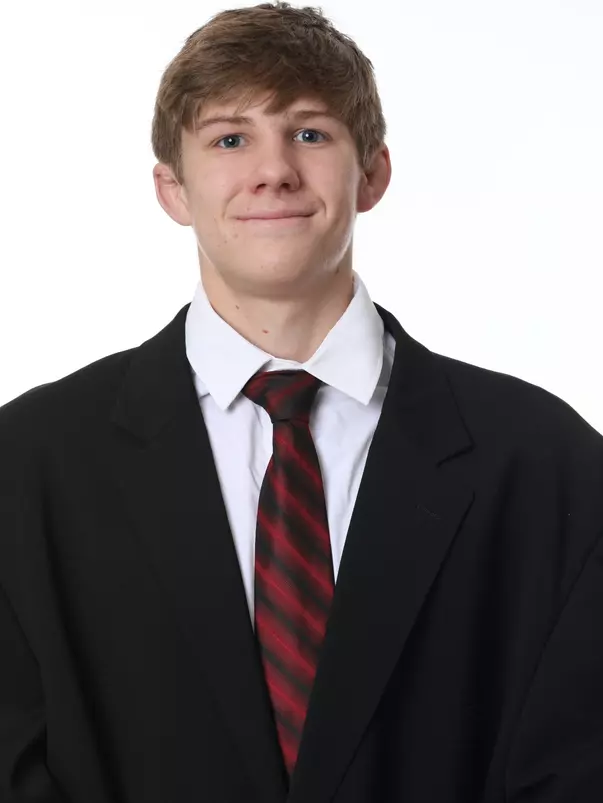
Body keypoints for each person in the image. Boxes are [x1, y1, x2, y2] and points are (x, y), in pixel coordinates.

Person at [1, 2, 602, 801]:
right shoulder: (29, 461)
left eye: (310, 133)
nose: (273, 169)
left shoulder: (544, 459)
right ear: (171, 189)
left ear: (374, 173)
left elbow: (578, 762)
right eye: (228, 138)